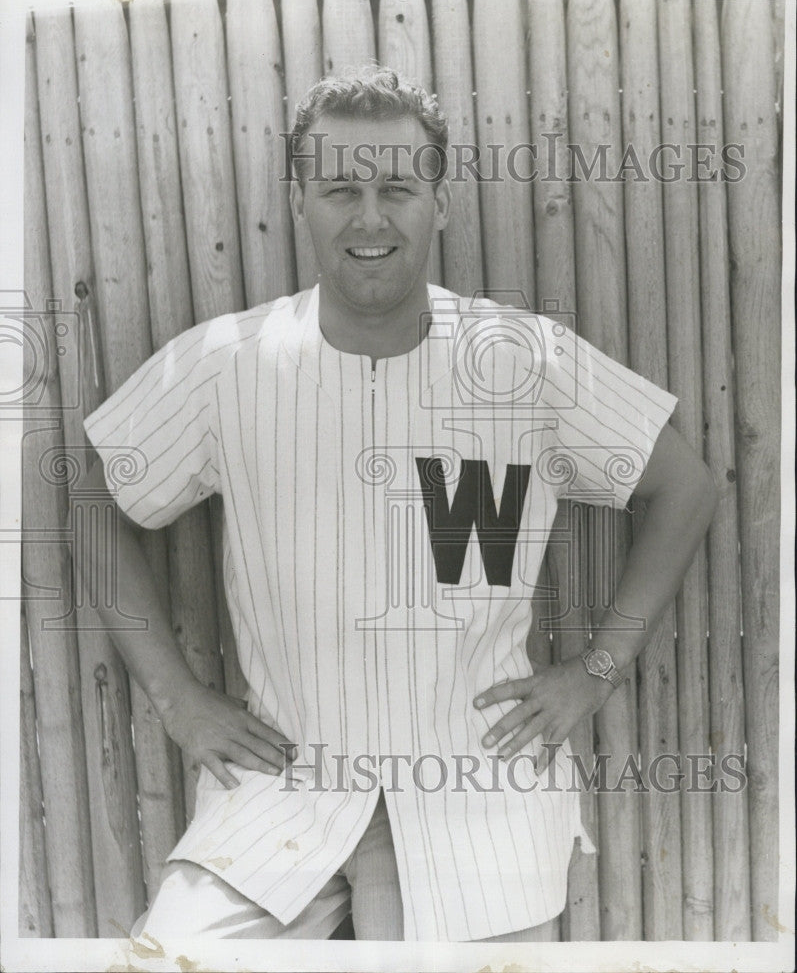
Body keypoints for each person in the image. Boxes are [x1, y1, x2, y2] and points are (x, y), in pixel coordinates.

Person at [76, 67, 718, 943]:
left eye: (397, 188)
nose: (370, 218)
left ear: (440, 203)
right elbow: (86, 492)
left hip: (477, 795)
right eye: (340, 188)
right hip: (282, 790)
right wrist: (176, 697)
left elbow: (685, 487)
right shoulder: (227, 364)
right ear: (301, 199)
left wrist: (594, 673)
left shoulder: (524, 359)